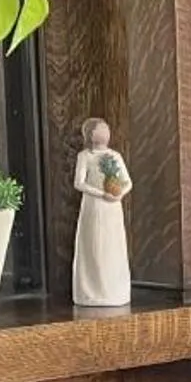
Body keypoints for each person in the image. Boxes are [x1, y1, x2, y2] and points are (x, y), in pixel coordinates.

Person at [72, 117, 131, 306]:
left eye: (107, 129)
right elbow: (79, 183)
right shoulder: (85, 156)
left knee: (112, 246)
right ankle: (92, 290)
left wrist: (118, 193)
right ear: (90, 134)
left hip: (112, 209)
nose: (106, 133)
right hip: (94, 207)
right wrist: (101, 194)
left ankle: (115, 289)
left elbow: (128, 181)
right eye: (101, 129)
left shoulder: (115, 156)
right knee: (95, 245)